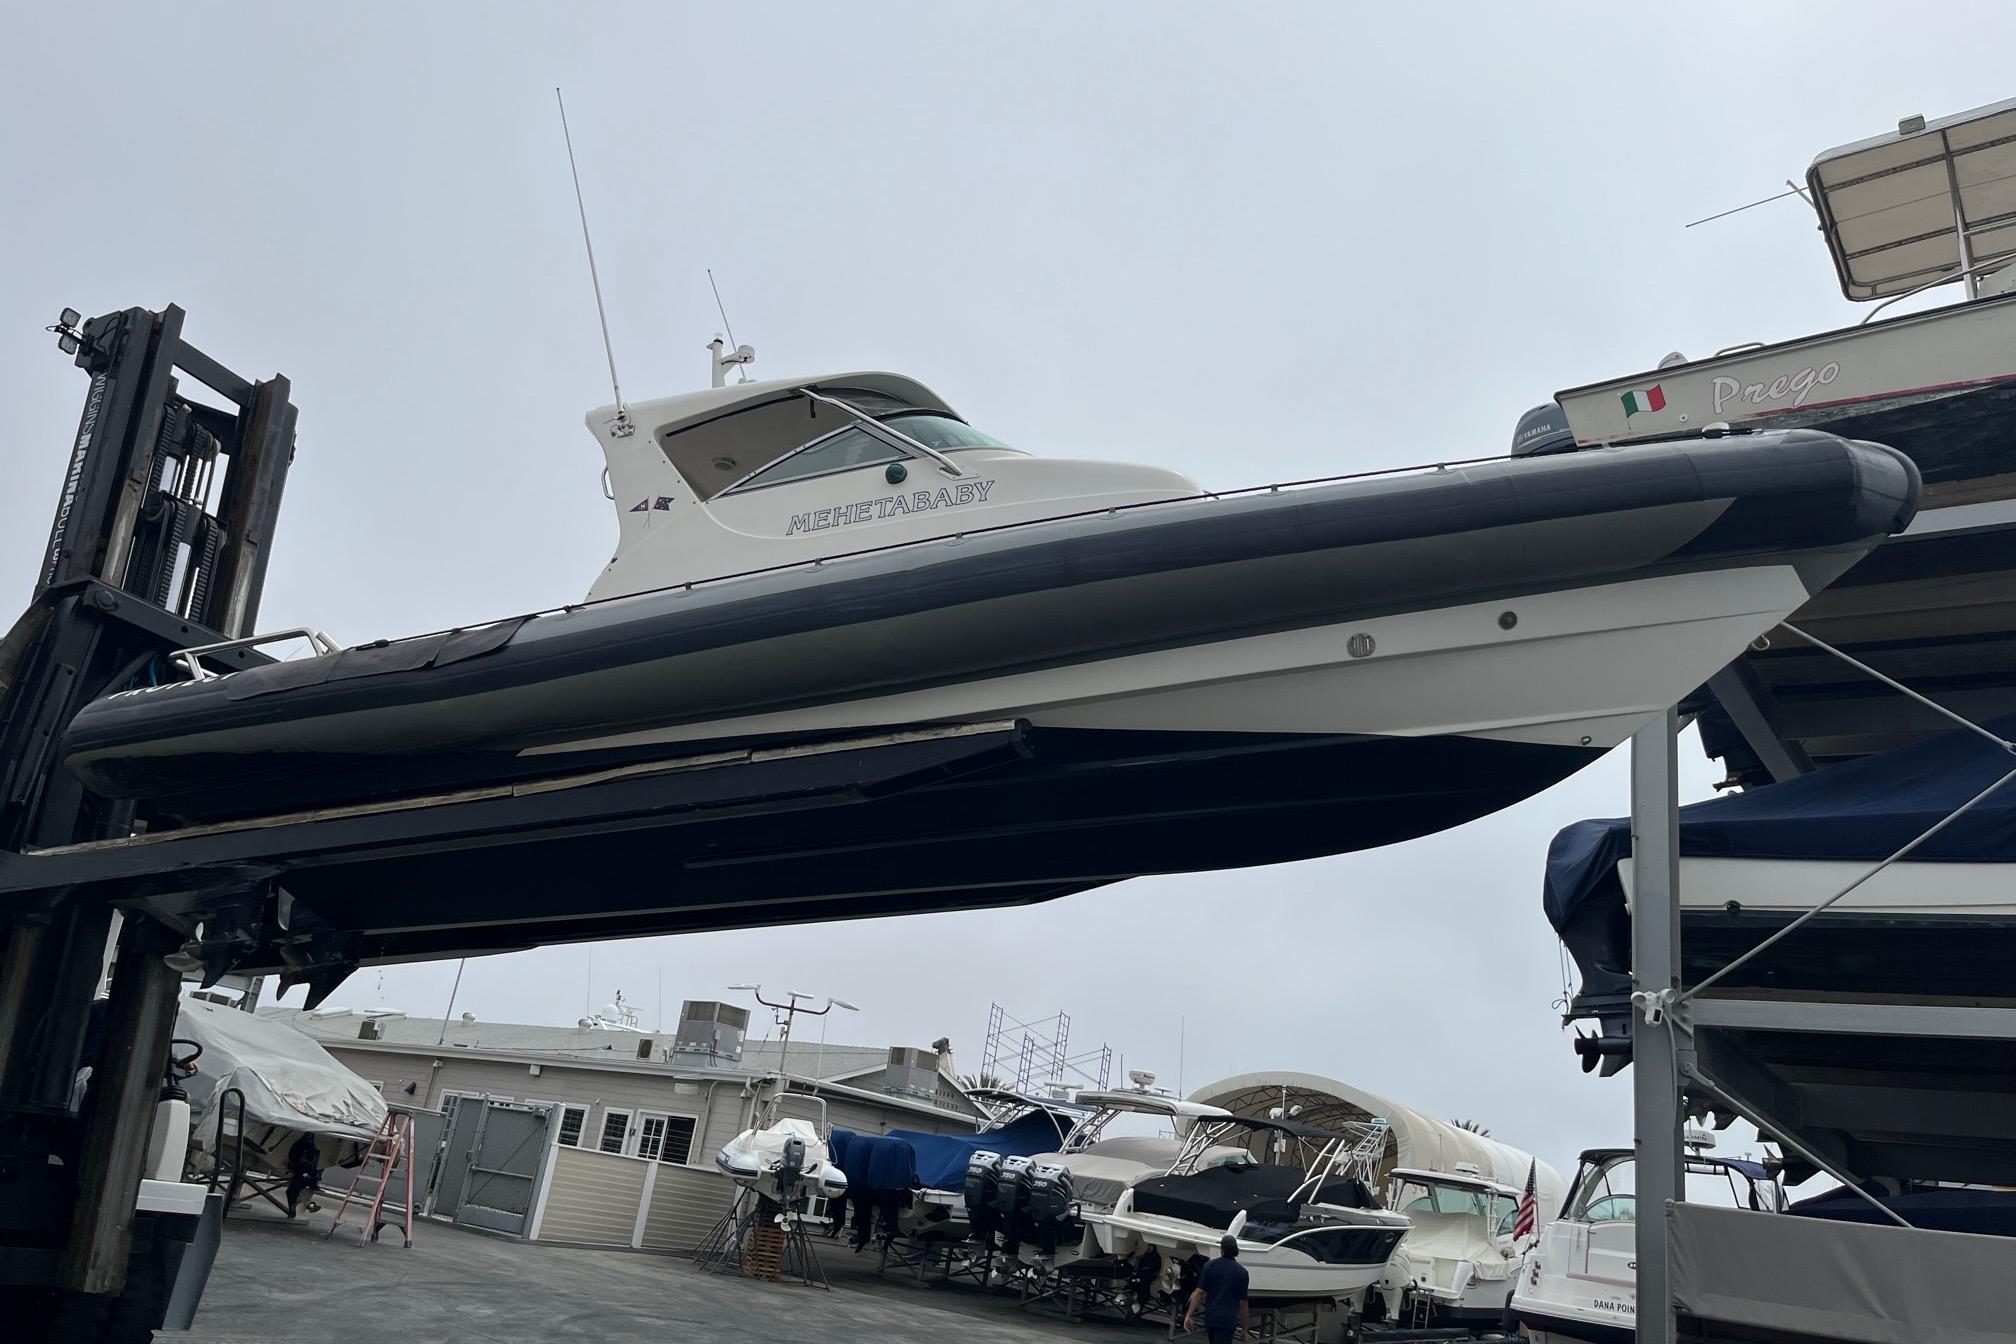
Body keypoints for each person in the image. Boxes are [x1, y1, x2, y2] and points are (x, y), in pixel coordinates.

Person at [1184, 1234, 1249, 1342]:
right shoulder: (1242, 1272)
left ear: (1221, 1249)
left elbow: (1199, 1292)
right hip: (1227, 1321)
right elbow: (1243, 1304)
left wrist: (1189, 1315)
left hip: (1211, 1318)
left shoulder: (1209, 1266)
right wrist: (1244, 1328)